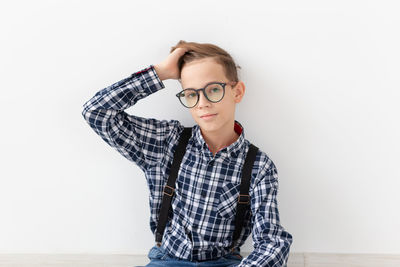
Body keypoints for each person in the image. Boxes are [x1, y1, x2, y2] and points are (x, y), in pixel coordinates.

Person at [81, 40, 293, 266]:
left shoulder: (258, 166)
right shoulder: (166, 142)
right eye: (191, 94)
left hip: (223, 262)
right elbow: (96, 112)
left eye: (213, 90)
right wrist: (160, 73)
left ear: (237, 92)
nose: (202, 103)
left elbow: (272, 241)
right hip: (168, 260)